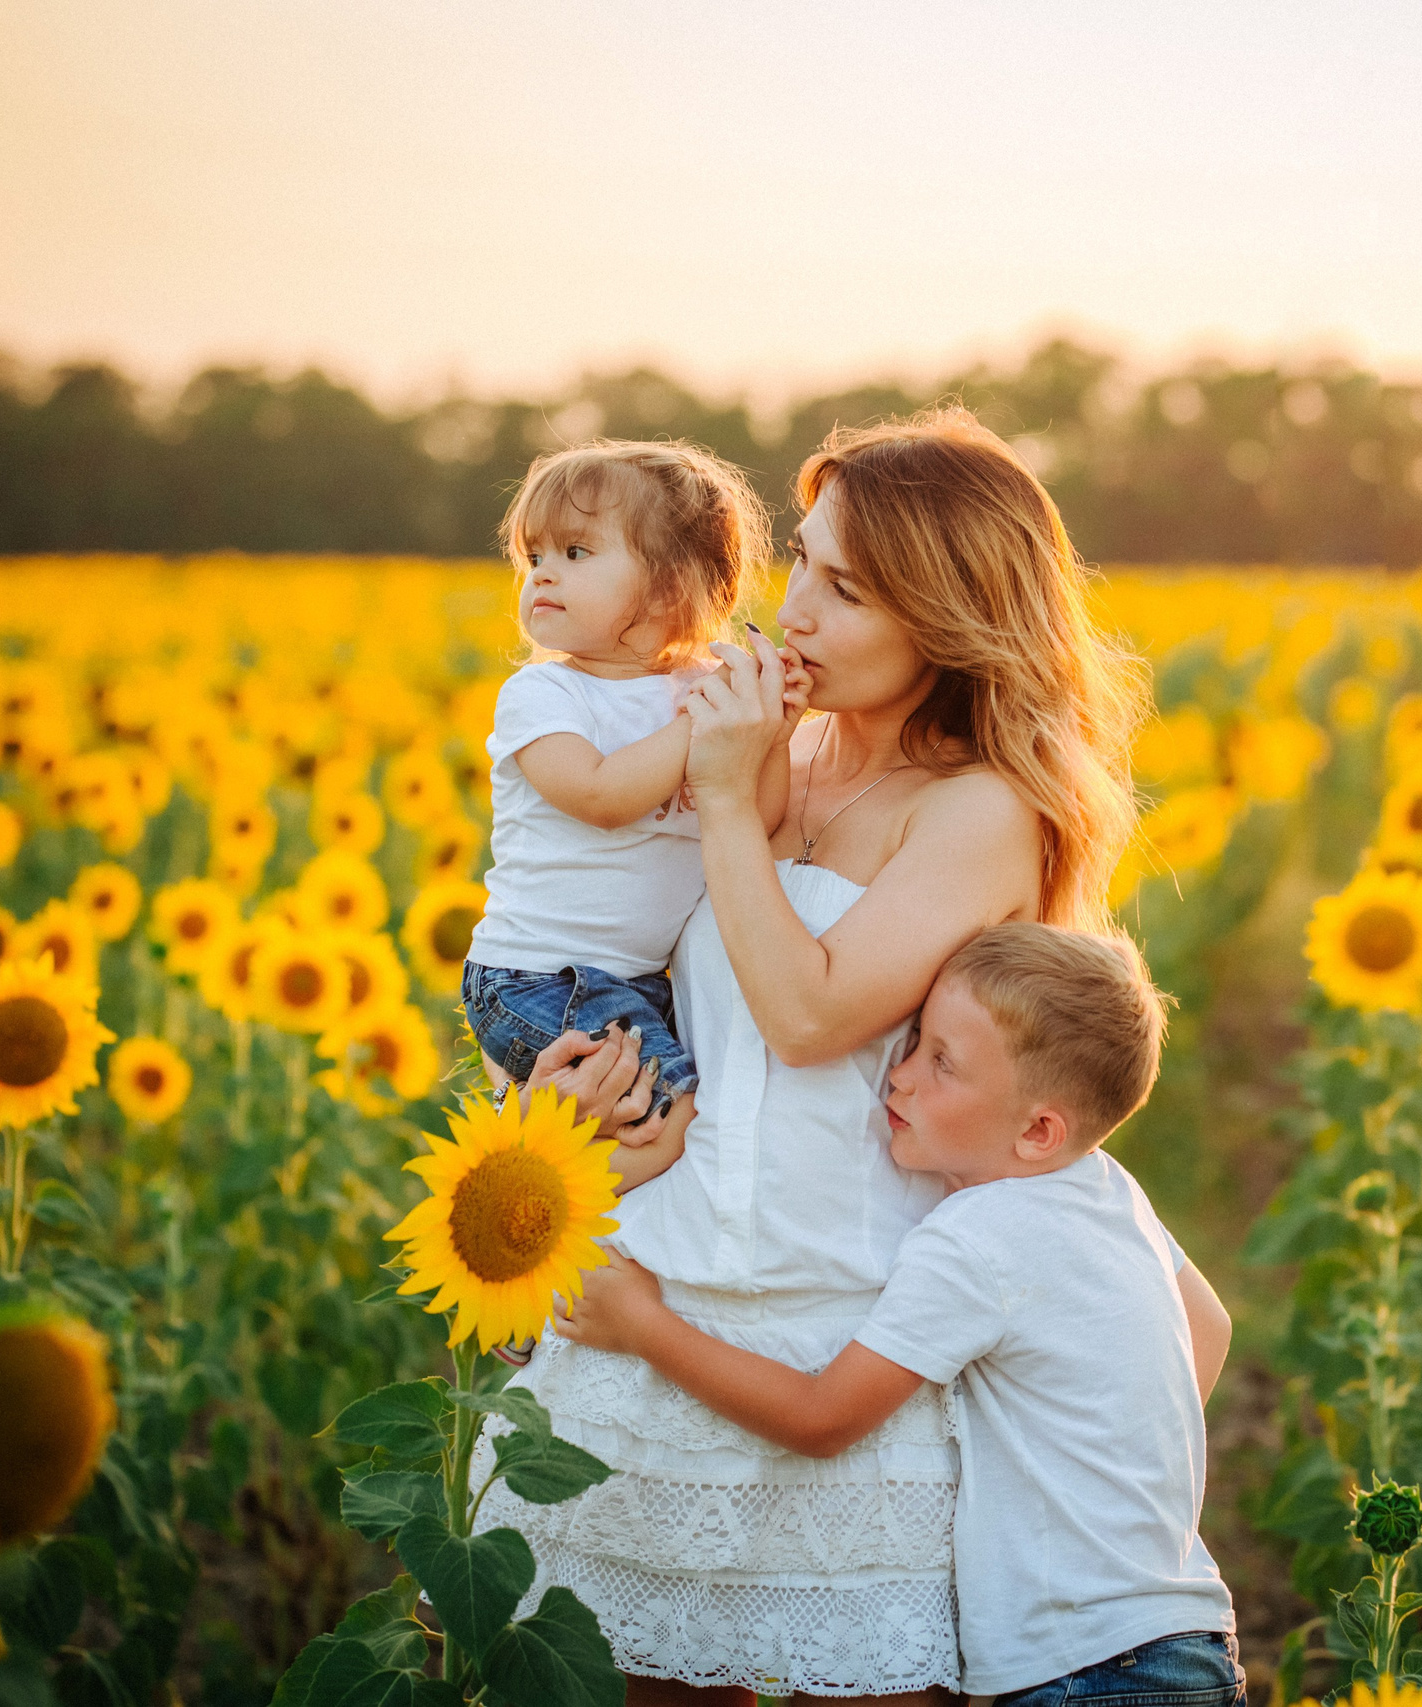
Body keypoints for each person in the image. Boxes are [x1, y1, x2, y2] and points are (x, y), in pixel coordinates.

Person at [486, 409, 1151, 1704]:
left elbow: (806, 1015)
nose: (795, 611)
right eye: (803, 562)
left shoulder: (981, 808)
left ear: (948, 617)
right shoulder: (779, 746)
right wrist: (562, 1084)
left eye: (847, 589)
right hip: (655, 1288)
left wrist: (725, 796)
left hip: (846, 1326)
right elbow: (624, 961)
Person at [558, 923, 1244, 1707]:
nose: (902, 1074)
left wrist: (642, 1325)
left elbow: (822, 1418)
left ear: (1037, 1130)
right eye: (914, 1041)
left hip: (1085, 1666)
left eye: (943, 1062)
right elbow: (1210, 1327)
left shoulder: (974, 1238)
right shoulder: (1109, 1187)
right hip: (1186, 1631)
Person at [457, 440, 796, 1190]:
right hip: (535, 975)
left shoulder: (698, 688)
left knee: (667, 1110)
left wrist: (772, 731)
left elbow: (757, 817)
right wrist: (703, 723)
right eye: (534, 556)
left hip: (631, 980)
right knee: (676, 1115)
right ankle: (522, 1189)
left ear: (672, 588)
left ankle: (541, 1167)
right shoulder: (543, 695)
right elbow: (602, 797)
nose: (543, 573)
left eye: (575, 552)